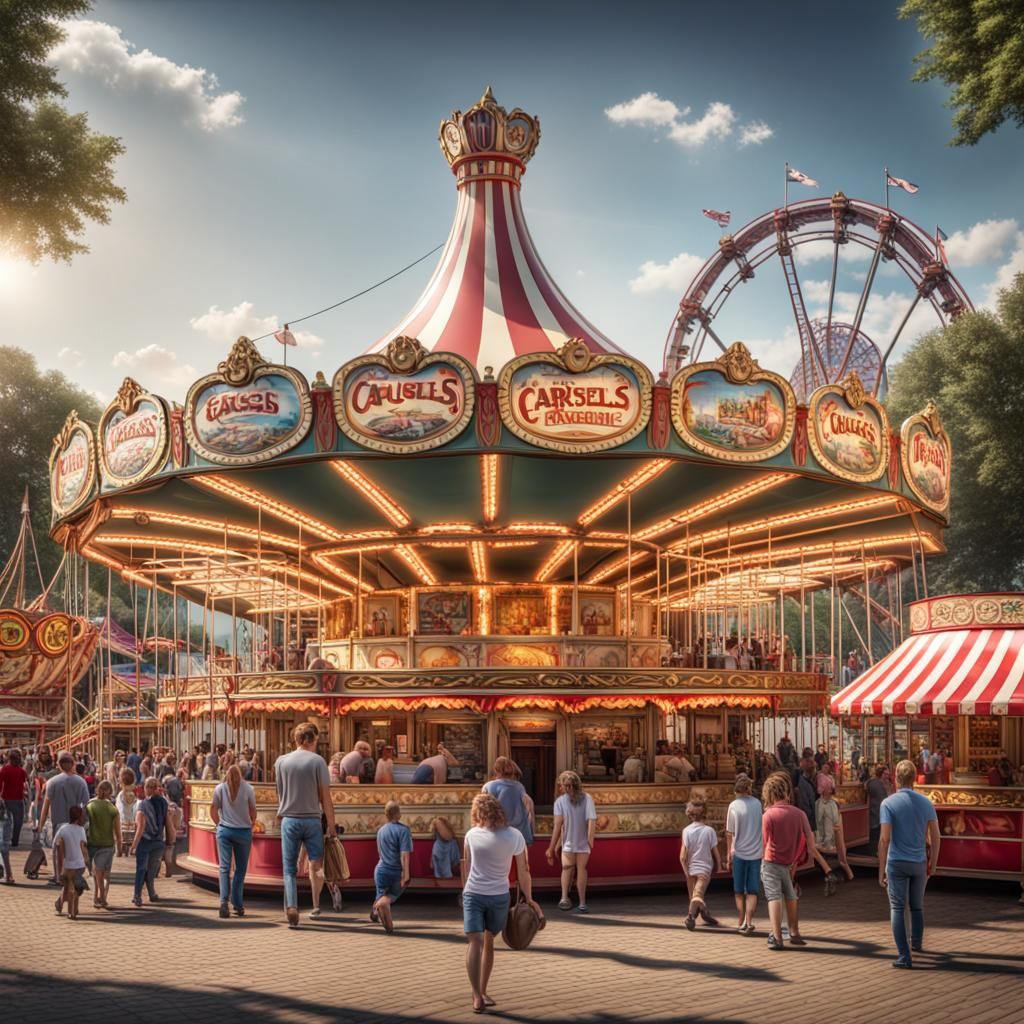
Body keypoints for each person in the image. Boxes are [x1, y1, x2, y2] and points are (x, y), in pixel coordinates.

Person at [462, 793, 542, 1014]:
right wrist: (529, 898)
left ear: (478, 813)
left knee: (474, 943)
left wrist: (464, 892)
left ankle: (476, 996)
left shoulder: (471, 835)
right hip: (499, 896)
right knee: (488, 942)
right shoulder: (514, 836)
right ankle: (483, 991)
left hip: (474, 894)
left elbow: (467, 867)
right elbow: (524, 870)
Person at [879, 759, 941, 969]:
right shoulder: (926, 803)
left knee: (897, 907)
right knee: (917, 906)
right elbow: (936, 836)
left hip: (896, 861)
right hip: (919, 861)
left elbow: (884, 839)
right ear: (915, 778)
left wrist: (881, 869)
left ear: (896, 777)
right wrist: (934, 863)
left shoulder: (888, 803)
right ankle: (917, 942)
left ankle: (904, 956)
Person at [275, 722, 336, 928]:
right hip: (312, 819)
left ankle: (292, 906)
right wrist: (332, 825)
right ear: (312, 739)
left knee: (289, 869)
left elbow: (280, 793)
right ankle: (316, 903)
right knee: (316, 865)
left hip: (289, 819)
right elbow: (325, 797)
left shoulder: (281, 762)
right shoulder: (318, 761)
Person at [761, 770, 817, 950]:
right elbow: (809, 838)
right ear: (786, 792)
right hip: (789, 861)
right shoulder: (799, 813)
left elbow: (764, 842)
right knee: (791, 896)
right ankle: (795, 932)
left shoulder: (768, 815)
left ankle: (777, 936)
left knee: (774, 897)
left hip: (771, 861)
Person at [546, 770, 597, 913]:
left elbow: (557, 827)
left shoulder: (559, 802)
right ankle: (582, 902)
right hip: (583, 843)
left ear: (563, 785)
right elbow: (592, 820)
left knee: (566, 869)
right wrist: (590, 841)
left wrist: (551, 848)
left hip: (568, 842)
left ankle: (564, 898)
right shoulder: (587, 798)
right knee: (582, 870)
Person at [36, 751, 90, 885]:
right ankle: (74, 874)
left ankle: (58, 875)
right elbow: (86, 804)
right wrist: (85, 821)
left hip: (58, 821)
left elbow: (45, 806)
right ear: (73, 765)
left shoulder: (52, 782)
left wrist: (40, 825)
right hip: (76, 822)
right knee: (75, 849)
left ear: (58, 765)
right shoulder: (81, 782)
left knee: (58, 850)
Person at [211, 763, 257, 918]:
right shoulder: (249, 789)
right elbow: (253, 811)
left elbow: (213, 809)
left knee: (224, 868)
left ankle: (223, 902)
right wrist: (251, 823)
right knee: (240, 870)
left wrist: (219, 825)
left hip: (225, 831)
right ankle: (237, 904)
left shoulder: (220, 789)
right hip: (243, 832)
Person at [128, 776, 175, 907]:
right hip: (159, 841)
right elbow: (167, 821)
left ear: (149, 788)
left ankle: (137, 896)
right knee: (152, 869)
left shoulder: (143, 804)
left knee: (141, 869)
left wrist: (134, 845)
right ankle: (152, 894)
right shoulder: (164, 803)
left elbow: (141, 827)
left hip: (145, 841)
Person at [725, 773, 762, 934]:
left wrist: (728, 853)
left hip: (739, 852)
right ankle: (749, 920)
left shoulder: (733, 806)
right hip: (756, 852)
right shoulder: (758, 804)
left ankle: (740, 919)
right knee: (752, 890)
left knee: (739, 890)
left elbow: (729, 832)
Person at [371, 800, 413, 932]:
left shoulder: (380, 831)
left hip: (381, 869)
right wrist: (406, 874)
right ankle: (383, 908)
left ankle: (375, 913)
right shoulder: (404, 830)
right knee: (392, 894)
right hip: (395, 871)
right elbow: (404, 854)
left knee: (381, 894)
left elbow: (379, 852)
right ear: (398, 814)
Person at [680, 798, 722, 931]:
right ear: (704, 813)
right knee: (697, 896)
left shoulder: (686, 831)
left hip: (691, 868)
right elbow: (715, 852)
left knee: (694, 895)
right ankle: (691, 917)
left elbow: (682, 857)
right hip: (704, 869)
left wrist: (687, 872)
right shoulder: (709, 831)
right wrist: (720, 867)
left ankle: (703, 913)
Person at [483, 757, 534, 847]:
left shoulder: (488, 786)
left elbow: (482, 811)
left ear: (495, 770)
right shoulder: (519, 787)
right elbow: (527, 810)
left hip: (496, 833)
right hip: (517, 833)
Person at [85, 780, 120, 909]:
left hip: (92, 843)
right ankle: (103, 896)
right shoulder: (112, 808)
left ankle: (97, 896)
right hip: (107, 844)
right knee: (105, 873)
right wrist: (120, 845)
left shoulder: (89, 805)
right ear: (108, 792)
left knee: (96, 873)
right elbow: (117, 829)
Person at [53, 805, 89, 920]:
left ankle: (65, 907)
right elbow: (83, 847)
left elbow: (56, 844)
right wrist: (87, 862)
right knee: (75, 888)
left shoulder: (63, 829)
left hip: (68, 864)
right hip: (80, 864)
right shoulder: (81, 830)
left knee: (69, 886)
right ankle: (72, 910)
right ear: (79, 818)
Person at [814, 784, 855, 883]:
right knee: (841, 861)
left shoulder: (831, 809)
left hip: (833, 841)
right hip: (832, 841)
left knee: (841, 861)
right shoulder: (825, 807)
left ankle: (845, 875)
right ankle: (846, 875)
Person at [1, 749, 28, 850]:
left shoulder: (4, 770)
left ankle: (5, 839)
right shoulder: (22, 771)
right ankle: (15, 840)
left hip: (6, 798)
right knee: (18, 821)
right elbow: (24, 782)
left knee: (5, 821)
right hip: (18, 799)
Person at [866, 765, 890, 855]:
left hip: (880, 813)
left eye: (888, 774)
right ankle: (875, 852)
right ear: (880, 774)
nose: (887, 776)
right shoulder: (875, 783)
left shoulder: (883, 783)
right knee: (875, 834)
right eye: (885, 774)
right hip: (876, 812)